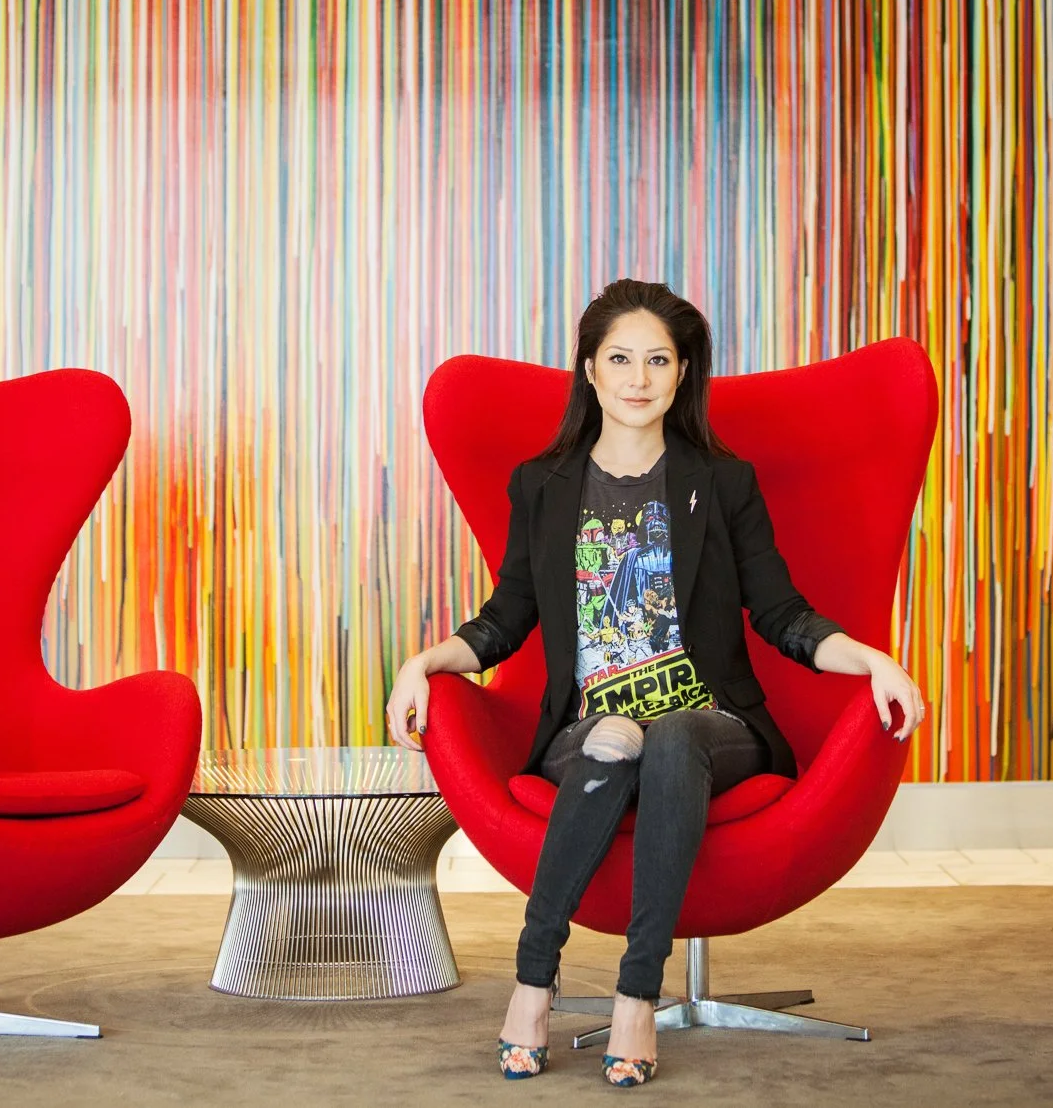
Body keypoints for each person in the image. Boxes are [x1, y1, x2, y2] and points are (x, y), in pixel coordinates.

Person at [385, 278, 926, 1087]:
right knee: (614, 736)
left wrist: (871, 658)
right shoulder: (544, 484)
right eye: (621, 359)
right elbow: (508, 616)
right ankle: (536, 975)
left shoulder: (722, 478)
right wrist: (420, 662)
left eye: (657, 361)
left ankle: (635, 992)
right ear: (590, 371)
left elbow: (780, 613)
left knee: (666, 732)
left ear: (681, 375)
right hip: (589, 726)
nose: (638, 378)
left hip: (712, 723)